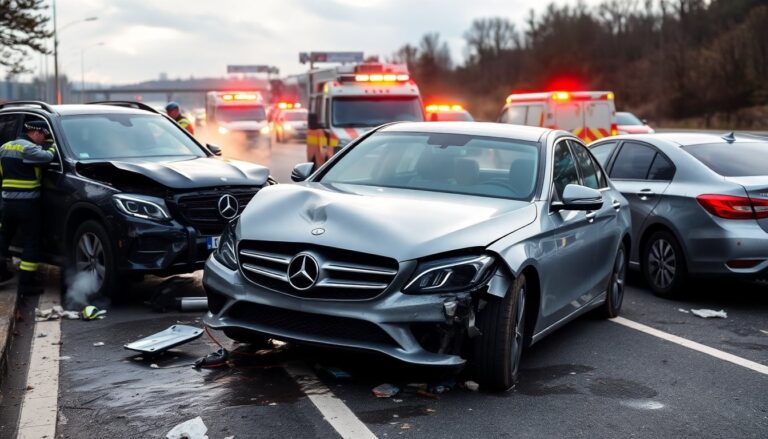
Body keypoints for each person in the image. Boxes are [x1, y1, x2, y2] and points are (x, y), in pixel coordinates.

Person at [0, 120, 57, 295]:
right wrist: (52, 146)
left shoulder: (4, 147)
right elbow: (48, 157)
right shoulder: (29, 149)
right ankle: (26, 284)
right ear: (36, 133)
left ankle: (1, 273)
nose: (43, 139)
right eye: (43, 136)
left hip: (7, 204)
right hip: (27, 205)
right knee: (31, 242)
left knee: (3, 239)